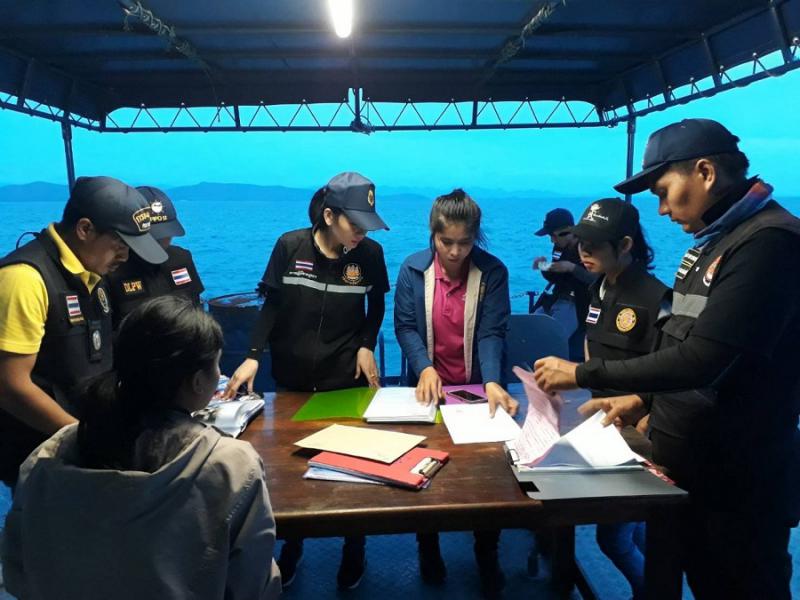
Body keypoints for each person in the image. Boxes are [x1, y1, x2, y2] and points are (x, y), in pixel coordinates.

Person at [533, 118, 800, 600]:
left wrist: (582, 373)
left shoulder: (768, 243)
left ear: (705, 172)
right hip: (691, 472)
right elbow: (688, 347)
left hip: (737, 485)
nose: (660, 209)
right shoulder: (712, 247)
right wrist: (644, 399)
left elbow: (704, 359)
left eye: (663, 192)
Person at [1, 296, 281, 599]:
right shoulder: (232, 466)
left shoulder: (47, 455)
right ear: (198, 381)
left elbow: (17, 571)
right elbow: (254, 585)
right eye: (216, 364)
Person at [223, 171, 390, 590]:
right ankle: (292, 546)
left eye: (368, 225)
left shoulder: (370, 254)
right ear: (330, 216)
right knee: (295, 470)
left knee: (354, 469)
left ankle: (355, 549)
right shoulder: (289, 246)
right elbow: (271, 305)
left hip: (345, 377)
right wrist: (253, 356)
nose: (362, 233)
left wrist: (366, 345)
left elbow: (376, 306)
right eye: (356, 224)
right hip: (294, 379)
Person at [0, 176, 167, 487]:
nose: (125, 256)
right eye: (120, 244)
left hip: (86, 446)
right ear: (85, 229)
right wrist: (83, 436)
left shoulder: (91, 272)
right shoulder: (24, 280)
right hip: (44, 456)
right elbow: (10, 386)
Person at [394, 189, 518, 595]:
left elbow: (492, 331)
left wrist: (492, 380)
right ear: (433, 234)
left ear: (475, 238)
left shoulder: (493, 272)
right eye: (446, 241)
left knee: (487, 477)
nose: (454, 251)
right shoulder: (412, 270)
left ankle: (487, 552)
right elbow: (405, 327)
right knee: (424, 472)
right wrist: (425, 368)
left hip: (478, 388)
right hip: (428, 390)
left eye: (464, 243)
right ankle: (428, 547)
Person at [572, 197, 670, 600]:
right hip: (604, 427)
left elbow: (670, 370)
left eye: (594, 245)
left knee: (612, 537)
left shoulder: (656, 298)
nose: (584, 251)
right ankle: (658, 584)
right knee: (640, 528)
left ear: (625, 245)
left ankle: (649, 591)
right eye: (581, 243)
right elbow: (592, 343)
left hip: (638, 432)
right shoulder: (597, 287)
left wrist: (646, 414)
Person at [106, 186, 204, 328]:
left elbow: (197, 309)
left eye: (164, 234)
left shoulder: (181, 259)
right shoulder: (110, 270)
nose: (159, 242)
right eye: (152, 237)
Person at [532, 208, 596, 347]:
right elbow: (556, 277)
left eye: (554, 236)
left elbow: (597, 280)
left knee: (554, 340)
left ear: (568, 231)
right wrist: (544, 267)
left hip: (577, 303)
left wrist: (572, 268)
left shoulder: (588, 248)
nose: (552, 241)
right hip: (557, 298)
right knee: (531, 325)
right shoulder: (559, 248)